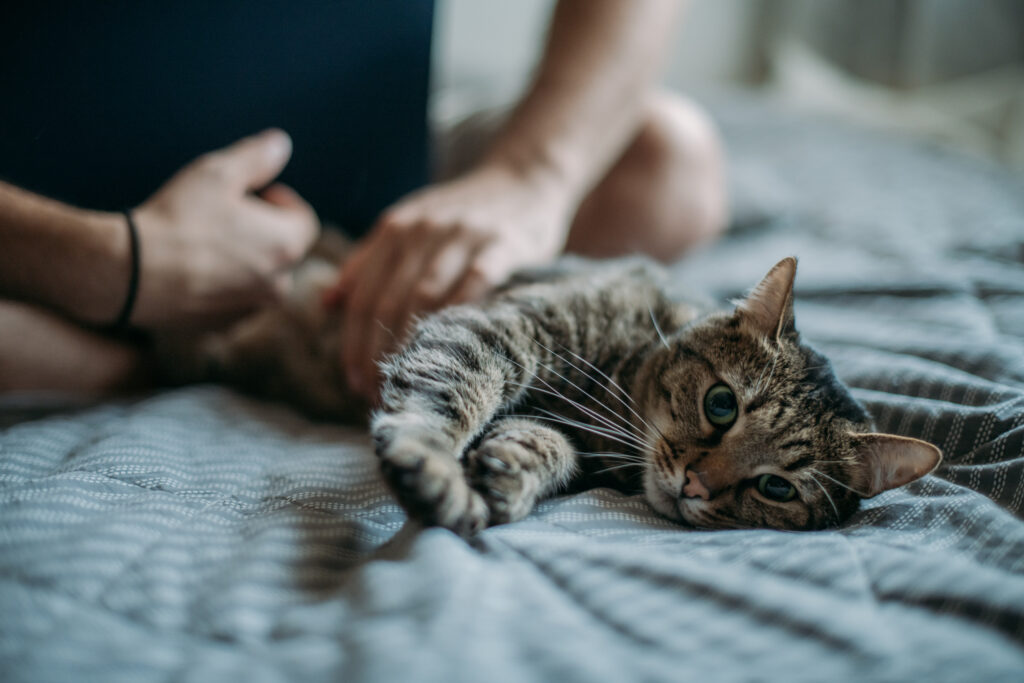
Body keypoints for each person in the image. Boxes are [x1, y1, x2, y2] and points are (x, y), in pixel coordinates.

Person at [0, 0, 725, 399]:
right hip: (62, 221)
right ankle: (154, 358)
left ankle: (195, 349)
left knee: (669, 166)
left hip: (371, 186)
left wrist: (531, 176)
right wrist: (112, 263)